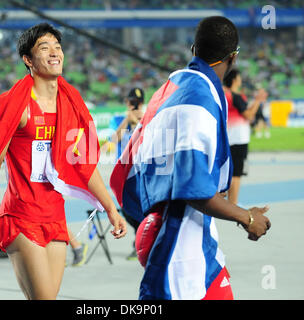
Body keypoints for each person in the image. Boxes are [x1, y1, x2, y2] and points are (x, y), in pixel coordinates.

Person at [0, 23, 127, 300]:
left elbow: (84, 164)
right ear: (28, 60)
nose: (54, 53)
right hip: (21, 218)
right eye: (44, 48)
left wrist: (110, 208)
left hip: (55, 217)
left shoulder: (71, 104)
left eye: (58, 47)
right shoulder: (15, 107)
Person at [110, 16, 271, 300]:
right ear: (233, 57)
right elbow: (193, 190)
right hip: (178, 241)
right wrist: (246, 217)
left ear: (193, 49)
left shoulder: (170, 90)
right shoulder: (198, 100)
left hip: (182, 230)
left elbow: (130, 166)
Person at [223, 69, 268, 205]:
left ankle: (231, 202)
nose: (241, 79)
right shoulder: (235, 96)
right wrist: (258, 101)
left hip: (232, 137)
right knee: (236, 173)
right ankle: (233, 203)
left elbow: (248, 113)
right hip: (238, 138)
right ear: (235, 79)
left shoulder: (231, 95)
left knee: (232, 172)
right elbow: (248, 115)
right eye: (239, 77)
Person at [110, 88, 144, 260]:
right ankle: (141, 238)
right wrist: (126, 120)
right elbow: (114, 140)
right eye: (131, 102)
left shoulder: (146, 118)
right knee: (126, 210)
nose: (133, 106)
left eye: (136, 103)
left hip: (139, 171)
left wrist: (138, 121)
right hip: (123, 173)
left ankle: (140, 242)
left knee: (141, 207)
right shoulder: (118, 120)